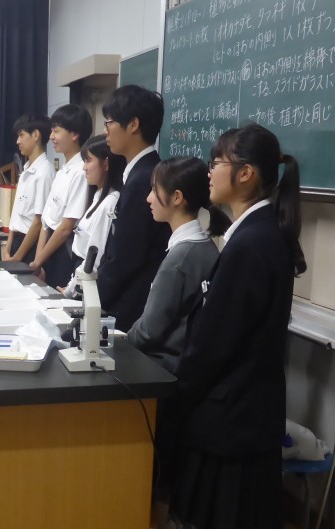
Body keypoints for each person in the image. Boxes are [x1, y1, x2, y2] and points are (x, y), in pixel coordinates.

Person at [171, 123, 307, 529]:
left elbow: (215, 343)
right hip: (243, 409)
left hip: (232, 415)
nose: (209, 172)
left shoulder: (251, 242)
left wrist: (178, 394)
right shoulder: (257, 232)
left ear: (245, 173)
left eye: (216, 163)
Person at [124, 157, 231, 528]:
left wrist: (115, 342)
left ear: (178, 198)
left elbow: (150, 330)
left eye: (155, 191)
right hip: (182, 373)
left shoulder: (181, 257)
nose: (148, 199)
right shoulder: (205, 248)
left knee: (156, 472)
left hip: (164, 372)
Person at [96, 85, 171, 331]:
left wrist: (95, 302)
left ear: (133, 124)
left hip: (129, 309)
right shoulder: (143, 172)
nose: (105, 131)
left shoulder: (144, 179)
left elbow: (126, 256)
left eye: (109, 123)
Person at [31, 104, 91, 289]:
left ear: (74, 135)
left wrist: (38, 261)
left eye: (56, 131)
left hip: (63, 252)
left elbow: (65, 228)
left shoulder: (81, 171)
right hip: (48, 252)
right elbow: (46, 221)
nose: (51, 137)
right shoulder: (62, 171)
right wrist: (38, 261)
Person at [58, 134, 124, 298]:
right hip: (78, 275)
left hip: (86, 283)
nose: (84, 167)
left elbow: (94, 258)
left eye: (88, 161)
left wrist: (70, 291)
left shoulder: (110, 202)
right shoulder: (97, 195)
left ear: (106, 164)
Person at [4, 113, 54, 264]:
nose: (18, 141)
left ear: (36, 135)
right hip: (16, 242)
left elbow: (39, 222)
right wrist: (7, 248)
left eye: (21, 135)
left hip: (29, 246)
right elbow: (16, 215)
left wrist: (18, 257)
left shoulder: (44, 172)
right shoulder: (26, 170)